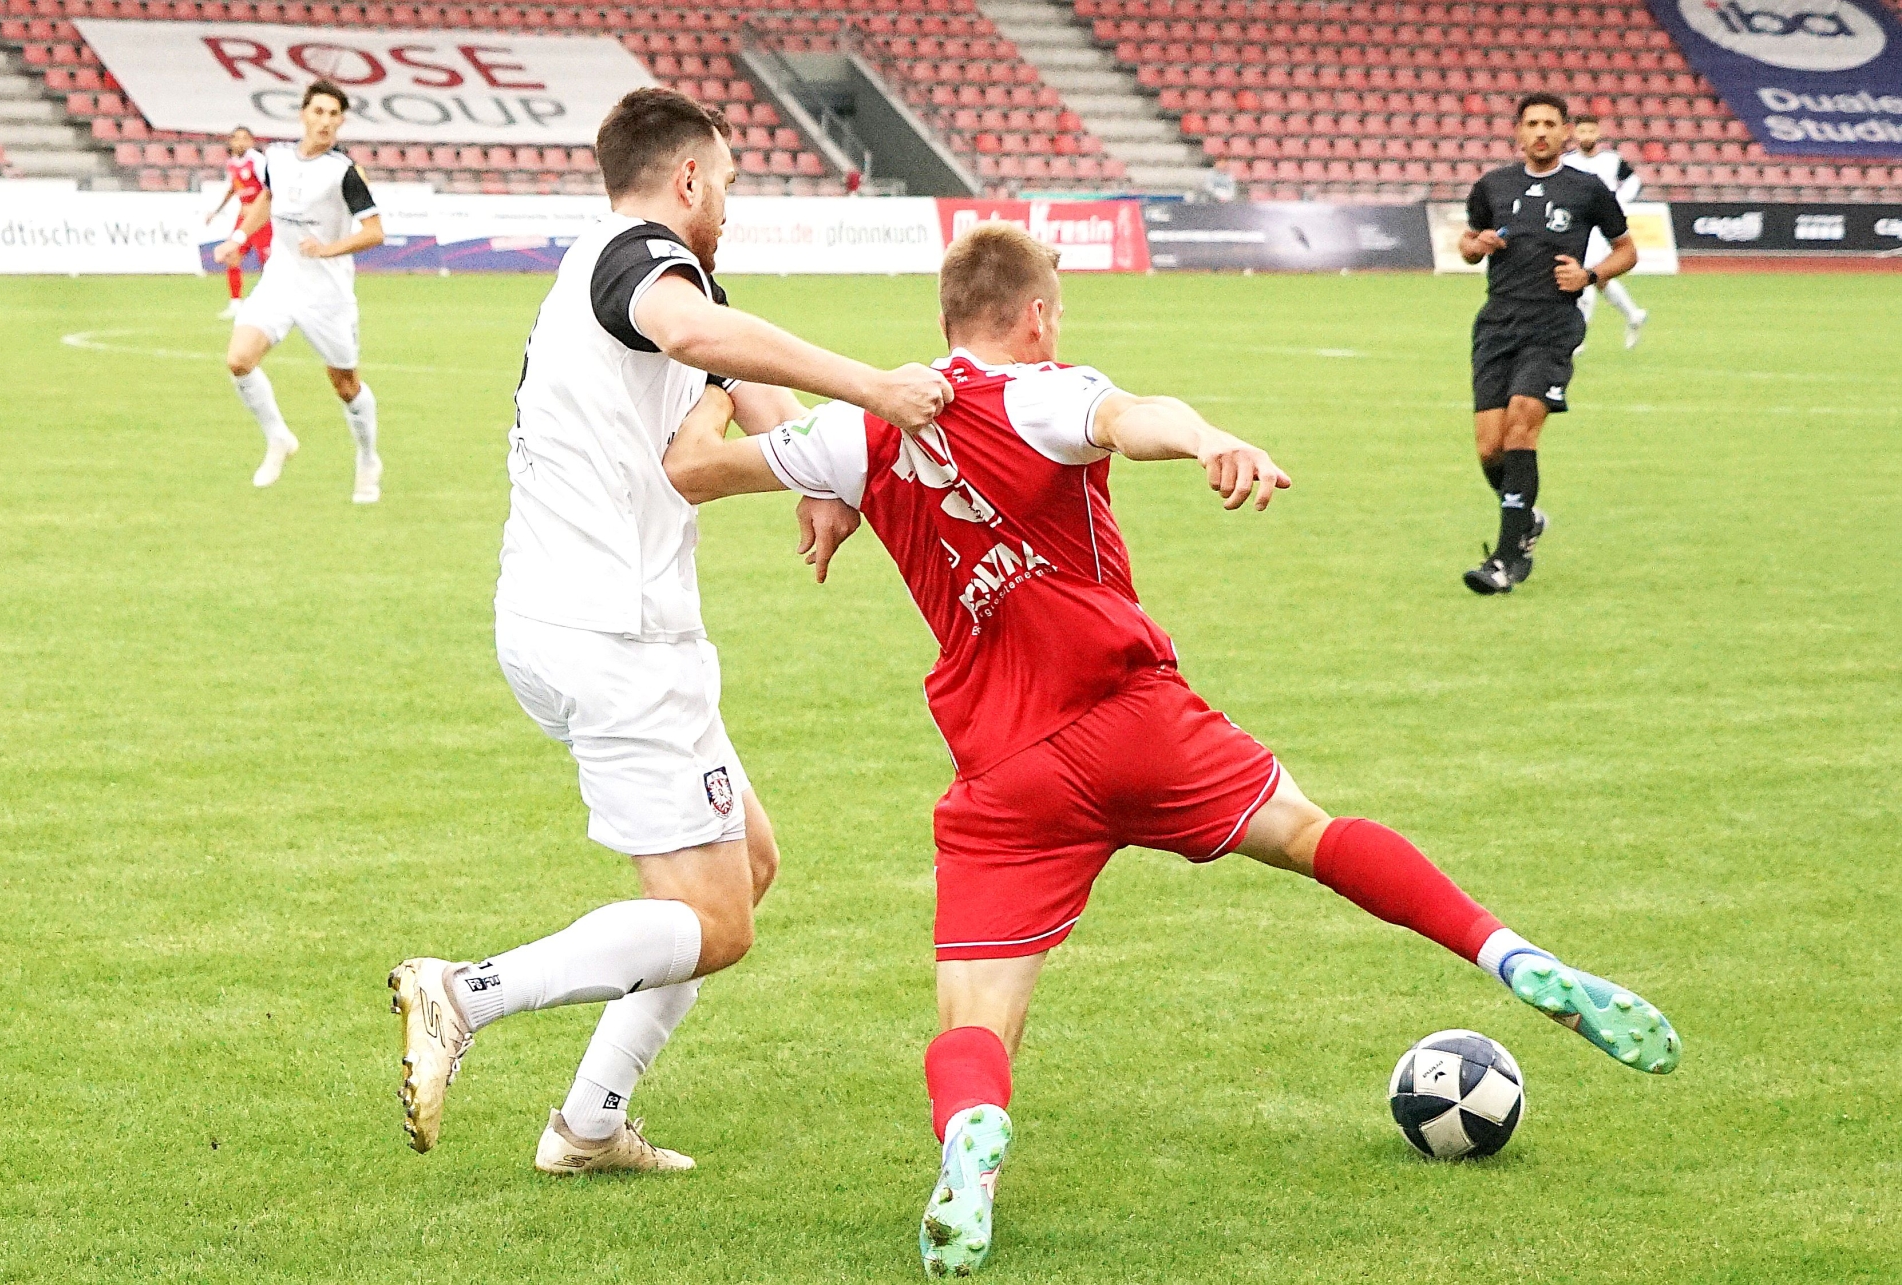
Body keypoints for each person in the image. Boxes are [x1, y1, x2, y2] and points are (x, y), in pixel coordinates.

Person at [661, 221, 1681, 1278]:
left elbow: (691, 469)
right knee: (1310, 836)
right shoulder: (1042, 392)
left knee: (976, 1014)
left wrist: (723, 382)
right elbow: (1133, 417)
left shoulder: (858, 427)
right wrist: (1208, 441)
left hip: (1006, 769)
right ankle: (1510, 954)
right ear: (1037, 317)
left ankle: (972, 1136)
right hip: (1132, 718)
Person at [386, 87, 952, 1175]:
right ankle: (464, 992)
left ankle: (589, 1127)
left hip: (570, 622)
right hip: (617, 637)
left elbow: (729, 369)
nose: (729, 206)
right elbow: (699, 336)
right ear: (688, 178)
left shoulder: (636, 279)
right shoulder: (638, 260)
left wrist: (818, 470)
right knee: (716, 921)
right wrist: (873, 387)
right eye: (726, 183)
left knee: (750, 861)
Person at [1458, 91, 1637, 596]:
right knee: (1489, 448)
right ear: (1517, 132)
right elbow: (1467, 244)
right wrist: (1478, 246)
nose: (1540, 132)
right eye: (1532, 123)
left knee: (1522, 425)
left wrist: (1590, 275)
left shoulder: (1587, 189)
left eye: (1550, 124)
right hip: (1497, 323)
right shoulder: (1493, 185)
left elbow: (1626, 250)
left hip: (1553, 324)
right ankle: (1527, 518)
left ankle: (1505, 560)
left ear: (1565, 133)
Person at [217, 80, 385, 502]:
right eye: (318, 112)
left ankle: (368, 459)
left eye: (334, 115)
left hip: (327, 292)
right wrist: (239, 238)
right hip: (280, 281)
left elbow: (374, 232)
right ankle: (279, 438)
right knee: (239, 360)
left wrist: (327, 249)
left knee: (346, 386)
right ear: (303, 115)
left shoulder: (344, 172)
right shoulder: (275, 158)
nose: (325, 121)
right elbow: (267, 199)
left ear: (341, 122)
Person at [1566, 113, 1649, 351]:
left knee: (1586, 273)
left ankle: (1577, 338)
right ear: (1574, 133)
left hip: (1602, 227)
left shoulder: (1611, 160)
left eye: (1591, 131)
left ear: (1598, 133)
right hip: (1577, 224)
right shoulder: (1567, 161)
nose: (1587, 136)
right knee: (1600, 278)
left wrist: (1617, 202)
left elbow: (1633, 181)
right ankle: (1633, 315)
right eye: (1582, 131)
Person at [207, 127, 270, 321]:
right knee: (232, 256)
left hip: (262, 219)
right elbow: (233, 188)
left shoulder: (257, 161)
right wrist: (216, 211)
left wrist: (256, 208)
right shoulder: (231, 164)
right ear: (231, 142)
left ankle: (272, 304)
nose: (240, 142)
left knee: (268, 262)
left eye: (245, 138)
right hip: (243, 218)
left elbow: (268, 188)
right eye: (236, 138)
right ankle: (235, 303)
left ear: (251, 142)